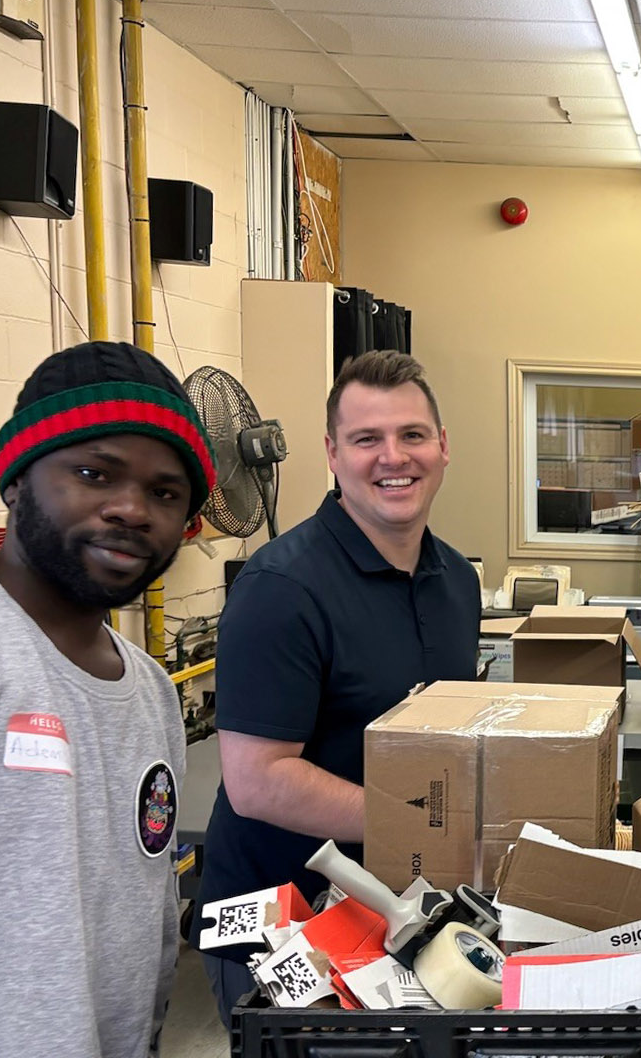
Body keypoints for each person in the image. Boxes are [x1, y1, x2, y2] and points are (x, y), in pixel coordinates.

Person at [0, 342, 217, 1058]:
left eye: (164, 492)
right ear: (18, 473)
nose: (131, 509)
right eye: (95, 473)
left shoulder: (151, 692)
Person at [198, 351, 479, 1024]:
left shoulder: (457, 583)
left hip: (393, 908)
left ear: (442, 447)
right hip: (280, 922)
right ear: (332, 454)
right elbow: (258, 781)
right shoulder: (281, 591)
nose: (393, 457)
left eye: (411, 435)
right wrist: (429, 827)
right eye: (366, 440)